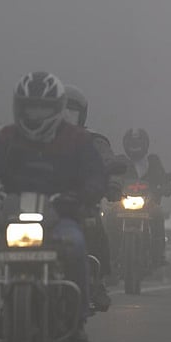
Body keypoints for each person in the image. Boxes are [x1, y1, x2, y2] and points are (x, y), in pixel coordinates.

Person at [0, 72, 105, 342]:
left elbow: (95, 175)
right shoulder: (5, 137)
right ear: (19, 107)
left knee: (77, 246)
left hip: (61, 215)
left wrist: (84, 194)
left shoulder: (77, 139)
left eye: (42, 107)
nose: (36, 114)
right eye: (31, 107)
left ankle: (76, 324)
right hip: (12, 214)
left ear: (57, 108)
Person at [65, 84, 117, 311]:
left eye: (69, 112)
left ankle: (97, 282)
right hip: (42, 205)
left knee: (93, 224)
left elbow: (108, 162)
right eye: (57, 111)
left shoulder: (94, 140)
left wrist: (113, 183)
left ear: (81, 115)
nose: (63, 118)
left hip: (80, 204)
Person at [119, 128, 171, 267]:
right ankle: (109, 255)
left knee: (158, 214)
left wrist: (166, 187)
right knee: (108, 217)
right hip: (122, 204)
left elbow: (162, 177)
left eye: (138, 142)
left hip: (149, 204)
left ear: (145, 144)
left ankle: (158, 254)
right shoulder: (120, 161)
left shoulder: (153, 161)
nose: (135, 145)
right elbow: (111, 176)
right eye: (131, 142)